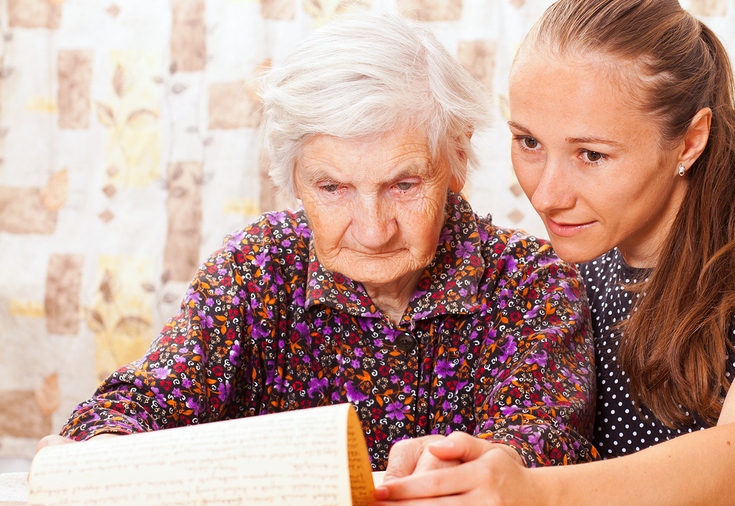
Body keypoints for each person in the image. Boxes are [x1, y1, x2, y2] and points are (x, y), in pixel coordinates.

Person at [373, 0, 735, 504]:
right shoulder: (572, 278)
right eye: (529, 142)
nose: (548, 194)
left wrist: (531, 492)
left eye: (592, 154)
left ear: (690, 142)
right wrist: (472, 471)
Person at [36, 12, 597, 472]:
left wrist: (487, 467)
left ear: (455, 160)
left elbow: (542, 450)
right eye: (332, 188)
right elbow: (145, 399)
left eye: (404, 185)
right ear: (294, 178)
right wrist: (103, 449)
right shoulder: (256, 266)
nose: (374, 229)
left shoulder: (533, 283)